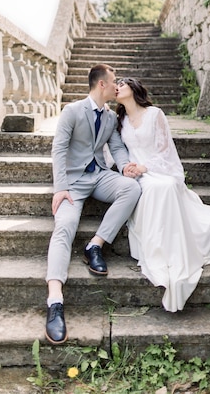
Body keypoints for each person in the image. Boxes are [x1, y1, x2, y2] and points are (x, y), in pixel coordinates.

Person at [115, 77, 210, 313]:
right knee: (152, 189)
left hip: (157, 169)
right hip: (137, 175)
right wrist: (127, 167)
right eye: (114, 84)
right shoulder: (119, 120)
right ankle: (159, 250)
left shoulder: (154, 114)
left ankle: (174, 249)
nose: (117, 87)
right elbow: (117, 152)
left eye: (122, 83)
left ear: (134, 88)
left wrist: (146, 167)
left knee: (165, 186)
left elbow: (165, 150)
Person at [45, 64, 142, 344]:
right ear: (102, 84)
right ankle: (55, 302)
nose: (117, 86)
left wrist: (124, 168)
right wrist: (60, 187)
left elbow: (117, 148)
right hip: (72, 184)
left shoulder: (111, 118)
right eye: (114, 82)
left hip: (99, 176)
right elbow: (59, 148)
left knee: (131, 188)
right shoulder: (72, 111)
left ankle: (95, 245)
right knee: (64, 226)